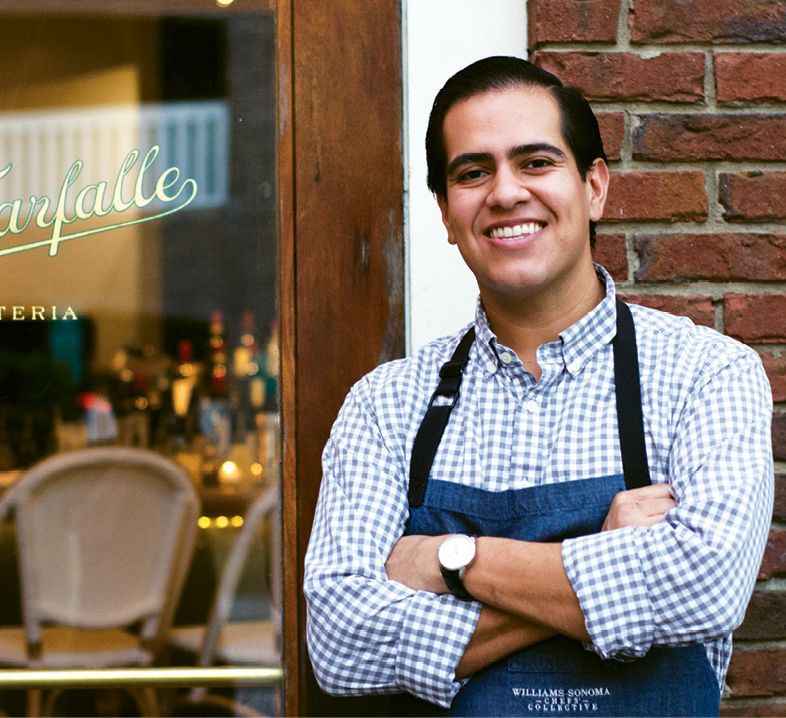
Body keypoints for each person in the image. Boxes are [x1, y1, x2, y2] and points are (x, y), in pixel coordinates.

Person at [303, 56, 774, 717]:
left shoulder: (706, 374)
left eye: (535, 162)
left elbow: (702, 587)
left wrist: (451, 560)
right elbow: (341, 645)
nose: (503, 193)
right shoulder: (387, 404)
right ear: (445, 213)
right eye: (472, 172)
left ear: (593, 187)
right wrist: (604, 560)